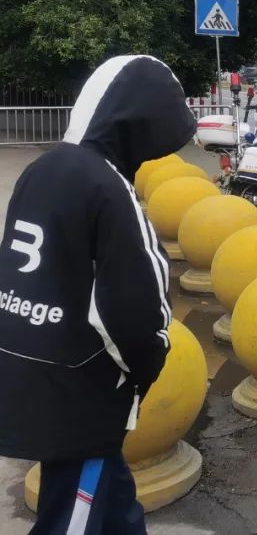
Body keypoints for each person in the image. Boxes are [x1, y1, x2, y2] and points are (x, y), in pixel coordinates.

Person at [0, 55, 196, 534]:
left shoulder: (42, 169)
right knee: (72, 515)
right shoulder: (107, 187)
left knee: (112, 505)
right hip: (82, 393)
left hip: (25, 367)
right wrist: (144, 370)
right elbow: (133, 310)